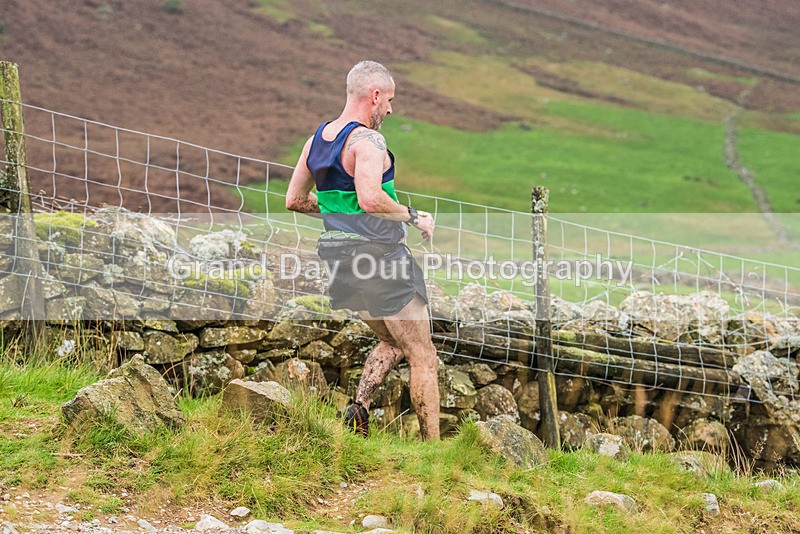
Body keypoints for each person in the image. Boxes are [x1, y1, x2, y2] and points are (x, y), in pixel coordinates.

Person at [285, 60, 440, 440]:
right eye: (388, 100)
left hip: (339, 262)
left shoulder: (316, 140)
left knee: (392, 339)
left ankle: (358, 412)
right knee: (423, 354)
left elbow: (295, 200)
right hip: (380, 258)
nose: (389, 109)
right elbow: (370, 199)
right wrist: (412, 216)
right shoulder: (368, 141)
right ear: (373, 96)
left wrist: (340, 214)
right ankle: (436, 454)